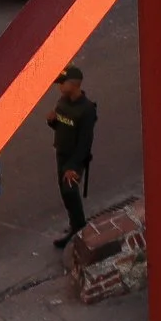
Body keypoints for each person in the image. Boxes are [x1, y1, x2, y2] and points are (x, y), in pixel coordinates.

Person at [49, 66, 96, 249]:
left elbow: (85, 142)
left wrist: (73, 166)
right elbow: (61, 127)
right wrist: (52, 121)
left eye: (63, 82)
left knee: (69, 191)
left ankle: (79, 229)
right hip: (61, 153)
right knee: (65, 192)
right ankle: (75, 226)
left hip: (75, 158)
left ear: (75, 84)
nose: (59, 86)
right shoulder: (63, 101)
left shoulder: (86, 109)